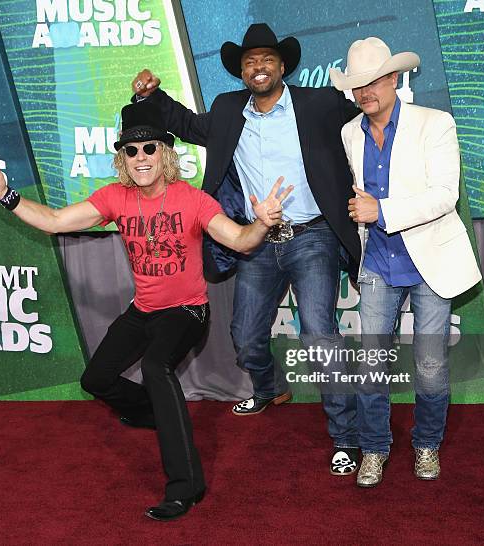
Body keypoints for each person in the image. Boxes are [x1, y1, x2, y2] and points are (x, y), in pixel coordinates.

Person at [0, 100, 292, 520]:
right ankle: (155, 413)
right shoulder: (115, 198)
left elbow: (241, 241)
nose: (140, 158)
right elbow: (57, 220)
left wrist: (262, 223)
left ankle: (186, 486)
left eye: (149, 148)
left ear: (165, 153)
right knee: (95, 378)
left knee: (155, 367)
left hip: (187, 311)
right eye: (131, 151)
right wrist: (5, 195)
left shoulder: (192, 201)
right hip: (144, 310)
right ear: (122, 159)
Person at [132, 23, 362, 475]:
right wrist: (148, 98)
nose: (259, 67)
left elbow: (366, 123)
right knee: (246, 336)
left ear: (283, 67)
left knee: (318, 333)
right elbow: (185, 125)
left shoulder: (319, 104)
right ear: (241, 72)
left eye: (267, 59)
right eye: (250, 61)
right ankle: (270, 387)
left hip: (311, 235)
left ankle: (348, 437)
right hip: (257, 239)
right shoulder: (227, 109)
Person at [329, 37, 482, 487]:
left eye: (374, 80)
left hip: (428, 262)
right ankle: (374, 449)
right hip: (378, 261)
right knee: (372, 364)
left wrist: (384, 211)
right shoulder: (349, 132)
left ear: (394, 78)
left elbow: (444, 195)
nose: (364, 92)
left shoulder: (434, 124)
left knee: (431, 366)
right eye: (357, 84)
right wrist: (369, 218)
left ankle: (427, 443)